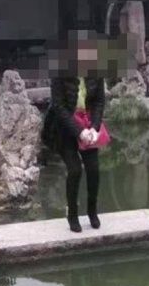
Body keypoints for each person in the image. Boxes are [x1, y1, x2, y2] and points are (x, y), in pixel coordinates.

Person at [43, 31, 108, 233]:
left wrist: (94, 128)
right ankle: (72, 213)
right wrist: (79, 132)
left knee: (94, 169)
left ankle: (92, 210)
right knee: (75, 170)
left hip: (87, 122)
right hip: (65, 126)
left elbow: (99, 101)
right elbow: (59, 107)